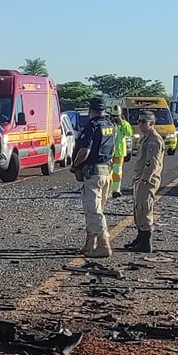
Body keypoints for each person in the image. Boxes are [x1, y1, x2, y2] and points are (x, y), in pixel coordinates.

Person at [71, 99, 115, 257]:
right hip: (105, 172)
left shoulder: (92, 126)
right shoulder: (110, 126)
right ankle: (90, 244)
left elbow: (84, 151)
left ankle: (103, 245)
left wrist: (75, 165)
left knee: (93, 210)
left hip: (92, 174)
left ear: (91, 110)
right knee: (96, 209)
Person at [123, 111, 167, 252]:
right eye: (139, 121)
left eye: (143, 122)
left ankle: (146, 241)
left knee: (145, 207)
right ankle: (140, 237)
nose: (140, 124)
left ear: (152, 123)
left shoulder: (154, 140)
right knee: (138, 209)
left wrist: (144, 179)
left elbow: (152, 163)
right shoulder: (146, 138)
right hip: (141, 178)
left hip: (147, 180)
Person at [108, 109, 134, 196]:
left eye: (117, 116)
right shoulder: (107, 124)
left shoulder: (124, 124)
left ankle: (116, 190)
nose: (115, 118)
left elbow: (129, 133)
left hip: (119, 152)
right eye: (113, 116)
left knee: (117, 171)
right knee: (107, 172)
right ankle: (107, 189)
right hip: (108, 152)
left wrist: (122, 123)